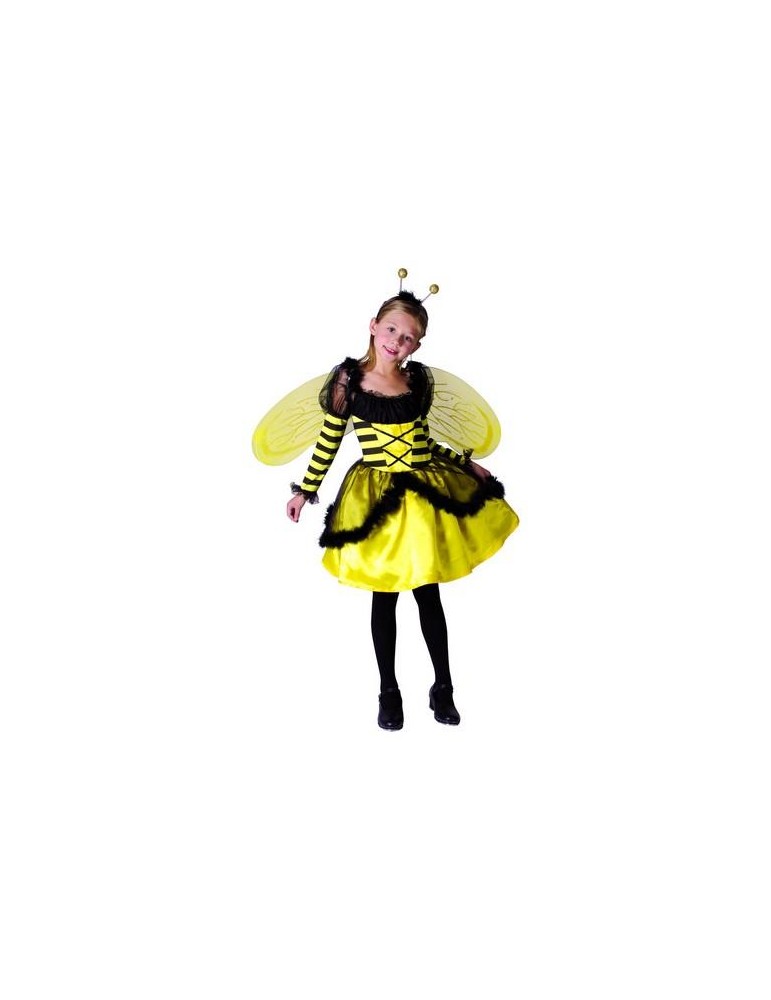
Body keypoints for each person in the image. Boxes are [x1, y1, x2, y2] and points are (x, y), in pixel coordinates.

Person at [284, 277, 519, 730]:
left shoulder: (416, 382)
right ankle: (388, 691)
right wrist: (305, 490)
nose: (398, 341)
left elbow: (422, 442)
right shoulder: (349, 381)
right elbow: (329, 440)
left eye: (409, 337)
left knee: (428, 592)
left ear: (418, 344)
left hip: (421, 494)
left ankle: (443, 687)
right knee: (385, 594)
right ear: (373, 326)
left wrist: (466, 464)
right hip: (375, 498)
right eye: (392, 329)